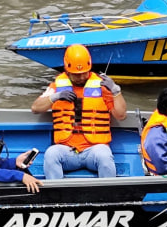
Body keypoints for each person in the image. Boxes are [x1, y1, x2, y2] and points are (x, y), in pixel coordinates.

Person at [31, 44, 126, 179]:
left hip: (94, 149)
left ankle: (106, 196)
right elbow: (35, 108)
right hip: (67, 150)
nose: (81, 77)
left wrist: (116, 91)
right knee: (51, 154)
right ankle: (57, 196)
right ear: (67, 71)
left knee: (105, 156)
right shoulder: (57, 86)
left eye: (84, 73)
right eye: (76, 75)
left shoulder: (102, 86)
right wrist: (55, 97)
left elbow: (121, 115)